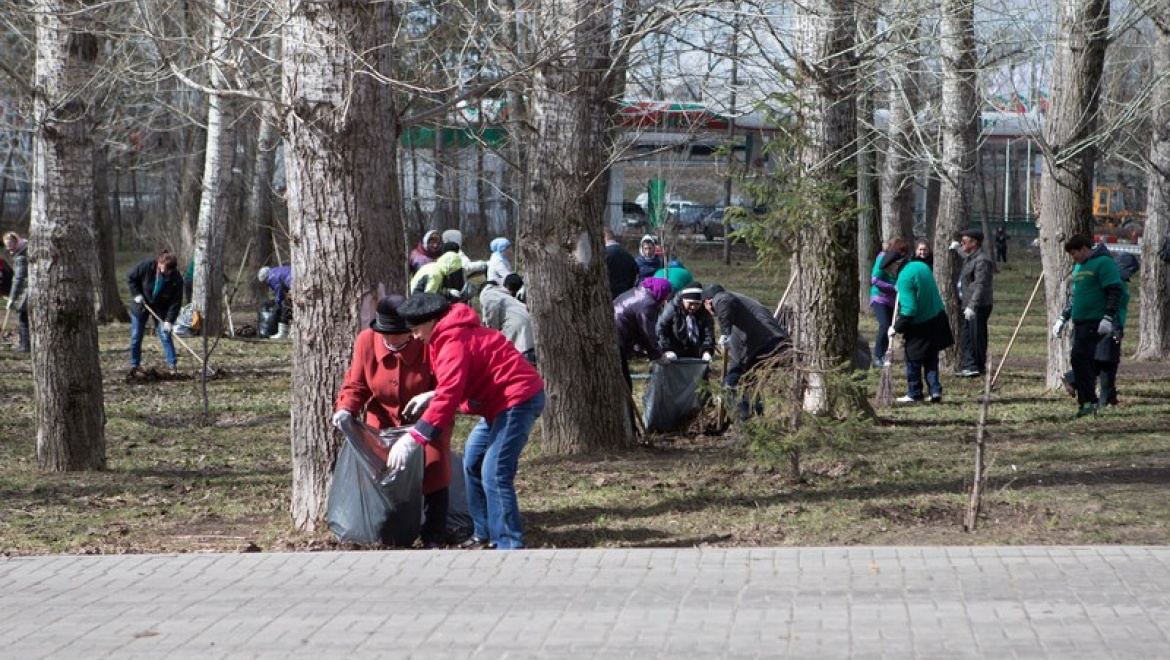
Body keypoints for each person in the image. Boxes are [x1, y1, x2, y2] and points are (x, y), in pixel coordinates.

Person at [394, 293, 546, 550]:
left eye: (417, 329)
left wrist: (415, 437)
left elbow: (450, 394)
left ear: (432, 321)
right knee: (472, 461)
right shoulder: (443, 337)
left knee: (495, 471)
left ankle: (508, 541)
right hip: (496, 402)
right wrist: (433, 395)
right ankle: (483, 533)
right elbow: (459, 377)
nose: (416, 336)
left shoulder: (452, 340)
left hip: (516, 399)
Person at [332, 294, 451, 548]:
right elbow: (357, 383)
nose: (391, 340)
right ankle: (383, 531)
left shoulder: (427, 341)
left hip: (427, 421)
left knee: (434, 467)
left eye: (398, 334)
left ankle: (434, 534)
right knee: (378, 471)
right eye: (386, 334)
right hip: (382, 422)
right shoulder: (366, 342)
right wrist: (346, 408)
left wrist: (431, 398)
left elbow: (446, 386)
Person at [1052, 235, 1125, 418]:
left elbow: (1114, 291)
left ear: (1085, 248)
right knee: (1081, 360)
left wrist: (1108, 318)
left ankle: (1089, 401)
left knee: (1080, 358)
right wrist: (1063, 318)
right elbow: (1076, 297)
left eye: (1075, 253)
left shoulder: (1104, 263)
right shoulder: (1079, 268)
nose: (1073, 258)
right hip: (1080, 321)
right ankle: (1087, 401)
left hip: (1095, 320)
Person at [702, 284, 790, 420]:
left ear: (707, 301)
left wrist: (725, 333)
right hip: (764, 346)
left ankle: (744, 423)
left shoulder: (722, 298)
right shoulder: (741, 307)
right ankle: (758, 419)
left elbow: (724, 301)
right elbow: (739, 349)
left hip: (765, 344)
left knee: (729, 385)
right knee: (748, 383)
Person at [888, 252, 954, 403]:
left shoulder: (904, 278)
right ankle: (935, 390)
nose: (889, 273)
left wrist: (896, 328)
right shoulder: (921, 266)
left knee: (913, 359)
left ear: (895, 265)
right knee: (931, 357)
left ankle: (915, 392)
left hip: (920, 324)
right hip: (937, 317)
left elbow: (909, 311)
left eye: (889, 270)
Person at [127, 249, 184, 373]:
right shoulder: (146, 266)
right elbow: (131, 277)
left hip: (161, 307)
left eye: (171, 270)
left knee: (165, 334)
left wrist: (169, 321)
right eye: (166, 269)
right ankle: (134, 365)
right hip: (141, 303)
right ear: (160, 263)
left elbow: (176, 302)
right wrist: (136, 294)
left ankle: (172, 365)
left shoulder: (176, 278)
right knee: (136, 335)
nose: (168, 272)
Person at [614, 276, 673, 387]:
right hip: (617, 336)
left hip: (613, 331)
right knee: (623, 380)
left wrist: (639, 349)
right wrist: (657, 355)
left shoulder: (636, 292)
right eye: (665, 296)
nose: (665, 300)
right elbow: (647, 332)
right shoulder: (647, 304)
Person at [955, 229, 994, 378]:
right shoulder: (971, 257)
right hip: (968, 304)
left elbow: (980, 285)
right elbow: (964, 254)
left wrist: (972, 306)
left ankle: (977, 366)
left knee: (976, 336)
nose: (962, 244)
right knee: (966, 336)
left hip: (978, 305)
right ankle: (970, 364)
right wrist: (957, 249)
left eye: (964, 242)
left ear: (974, 243)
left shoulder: (982, 260)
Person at [869, 237, 909, 368]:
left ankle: (886, 353)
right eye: (901, 251)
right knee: (885, 324)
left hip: (892, 300)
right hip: (880, 297)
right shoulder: (883, 258)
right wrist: (892, 288)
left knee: (890, 327)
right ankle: (877, 356)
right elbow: (875, 279)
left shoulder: (901, 262)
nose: (902, 255)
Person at [479, 274, 535, 364]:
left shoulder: (486, 293)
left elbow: (492, 309)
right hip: (529, 321)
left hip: (517, 326)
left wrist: (493, 330)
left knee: (515, 359)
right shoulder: (502, 294)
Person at [656, 284, 714, 361]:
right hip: (673, 347)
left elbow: (708, 332)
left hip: (696, 350)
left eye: (697, 304)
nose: (693, 307)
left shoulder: (704, 311)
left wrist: (706, 350)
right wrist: (666, 349)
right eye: (690, 303)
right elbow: (660, 327)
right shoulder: (672, 308)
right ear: (683, 300)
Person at [3, 232, 29, 353]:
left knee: (23, 316)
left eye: (11, 243)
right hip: (27, 290)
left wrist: (12, 298)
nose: (8, 247)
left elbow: (19, 279)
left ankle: (25, 346)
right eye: (6, 244)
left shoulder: (21, 257)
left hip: (29, 290)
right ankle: (25, 344)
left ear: (17, 242)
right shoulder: (21, 253)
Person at [257, 265, 293, 339]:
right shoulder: (276, 270)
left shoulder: (271, 277)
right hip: (297, 280)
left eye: (264, 282)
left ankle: (283, 332)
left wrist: (278, 302)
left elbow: (279, 290)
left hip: (293, 283)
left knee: (285, 306)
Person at [604, 227, 638, 300]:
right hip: (626, 295)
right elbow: (634, 275)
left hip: (609, 295)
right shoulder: (629, 255)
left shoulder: (604, 254)